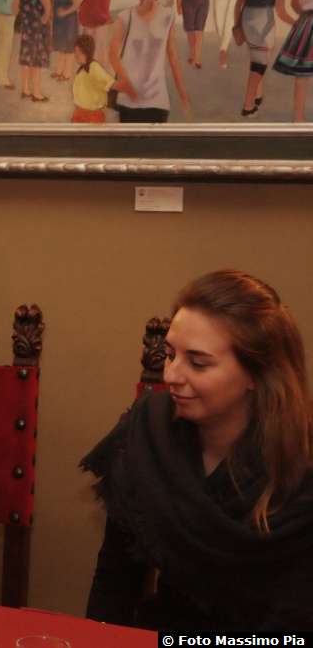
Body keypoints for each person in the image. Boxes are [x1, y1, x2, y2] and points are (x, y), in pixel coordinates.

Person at [82, 270, 313, 630]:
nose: (171, 375)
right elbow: (115, 581)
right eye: (170, 355)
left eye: (198, 363)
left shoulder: (302, 463)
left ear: (257, 374)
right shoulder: (150, 431)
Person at [109, 0, 192, 123]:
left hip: (158, 100)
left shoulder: (168, 16)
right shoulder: (125, 17)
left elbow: (173, 56)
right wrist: (126, 85)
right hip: (129, 100)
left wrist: (183, 94)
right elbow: (112, 55)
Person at [234, 0, 294, 116]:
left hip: (247, 17)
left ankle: (258, 95)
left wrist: (237, 25)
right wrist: (297, 23)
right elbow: (281, 11)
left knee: (257, 58)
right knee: (259, 64)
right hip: (263, 21)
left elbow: (238, 4)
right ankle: (248, 105)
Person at [272, 0, 313, 122]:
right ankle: (298, 117)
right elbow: (293, 4)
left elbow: (294, 4)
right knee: (302, 72)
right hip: (308, 24)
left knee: (302, 73)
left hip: (307, 21)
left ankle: (298, 117)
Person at [71, 33, 119, 122]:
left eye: (78, 52)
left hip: (93, 115)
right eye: (75, 52)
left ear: (85, 52)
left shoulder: (94, 67)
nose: (75, 55)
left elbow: (111, 83)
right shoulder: (82, 70)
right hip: (80, 112)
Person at [15, 0, 54, 100]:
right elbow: (47, 5)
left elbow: (14, 7)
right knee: (37, 59)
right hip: (37, 27)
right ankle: (36, 92)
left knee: (27, 58)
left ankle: (25, 89)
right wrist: (45, 19)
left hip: (27, 26)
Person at [178, 0, 210, 68]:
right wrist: (178, 4)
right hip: (187, 2)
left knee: (199, 29)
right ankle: (192, 53)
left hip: (203, 2)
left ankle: (197, 58)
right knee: (190, 30)